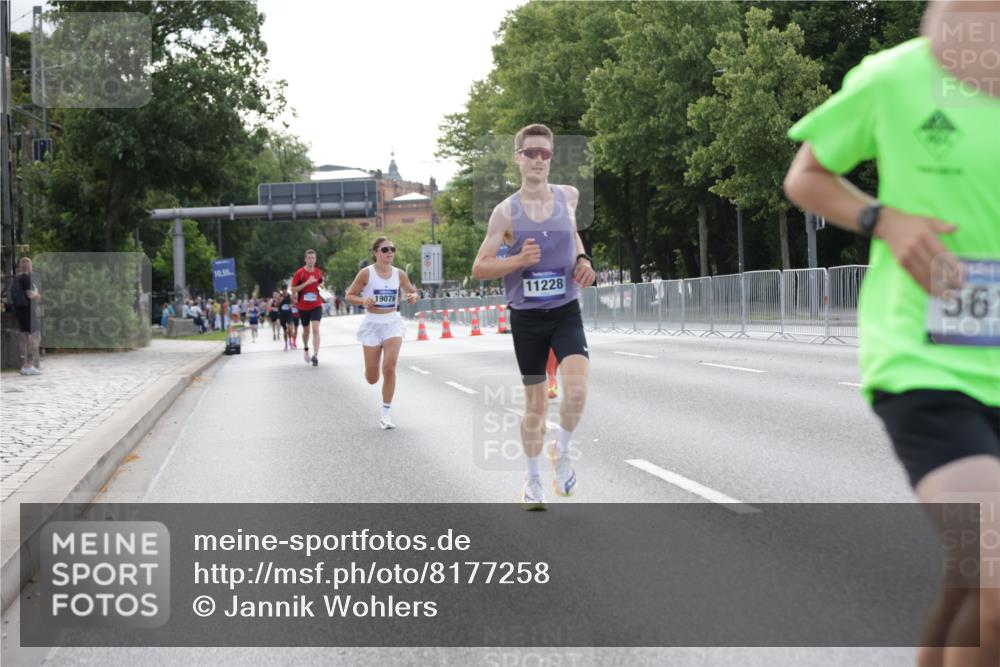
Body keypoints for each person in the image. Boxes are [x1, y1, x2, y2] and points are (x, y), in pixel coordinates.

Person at [783, 3, 999, 664]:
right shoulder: (895, 78)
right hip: (924, 363)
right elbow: (806, 176)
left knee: (976, 575)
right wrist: (883, 218)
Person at [471, 123, 596, 510]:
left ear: (551, 158)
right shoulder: (504, 213)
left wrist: (582, 259)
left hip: (565, 311)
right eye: (532, 153)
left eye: (546, 153)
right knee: (536, 408)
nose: (539, 159)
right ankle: (533, 479)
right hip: (526, 320)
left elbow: (574, 235)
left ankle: (562, 451)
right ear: (518, 158)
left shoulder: (568, 197)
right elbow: (480, 267)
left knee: (576, 392)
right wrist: (517, 260)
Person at [345, 237, 420, 429]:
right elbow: (349, 295)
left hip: (392, 323)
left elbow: (412, 292)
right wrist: (363, 301)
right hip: (372, 324)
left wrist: (412, 297)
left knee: (390, 367)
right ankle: (371, 370)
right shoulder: (366, 273)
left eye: (392, 249)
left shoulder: (399, 274)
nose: (390, 252)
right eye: (385, 249)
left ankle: (386, 414)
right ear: (375, 252)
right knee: (372, 378)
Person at [290, 249, 324, 366]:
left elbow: (320, 282)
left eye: (313, 258)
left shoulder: (318, 272)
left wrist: (321, 285)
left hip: (316, 305)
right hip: (303, 307)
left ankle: (315, 354)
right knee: (306, 331)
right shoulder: (300, 273)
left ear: (315, 259)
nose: (311, 260)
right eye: (309, 258)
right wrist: (306, 283)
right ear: (305, 259)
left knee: (315, 329)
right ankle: (305, 348)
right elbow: (293, 289)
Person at [11, 257, 42, 375]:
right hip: (28, 311)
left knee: (24, 338)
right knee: (36, 337)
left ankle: (24, 366)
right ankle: (29, 365)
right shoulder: (26, 278)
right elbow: (30, 295)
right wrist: (37, 295)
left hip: (20, 312)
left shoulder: (17, 278)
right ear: (29, 266)